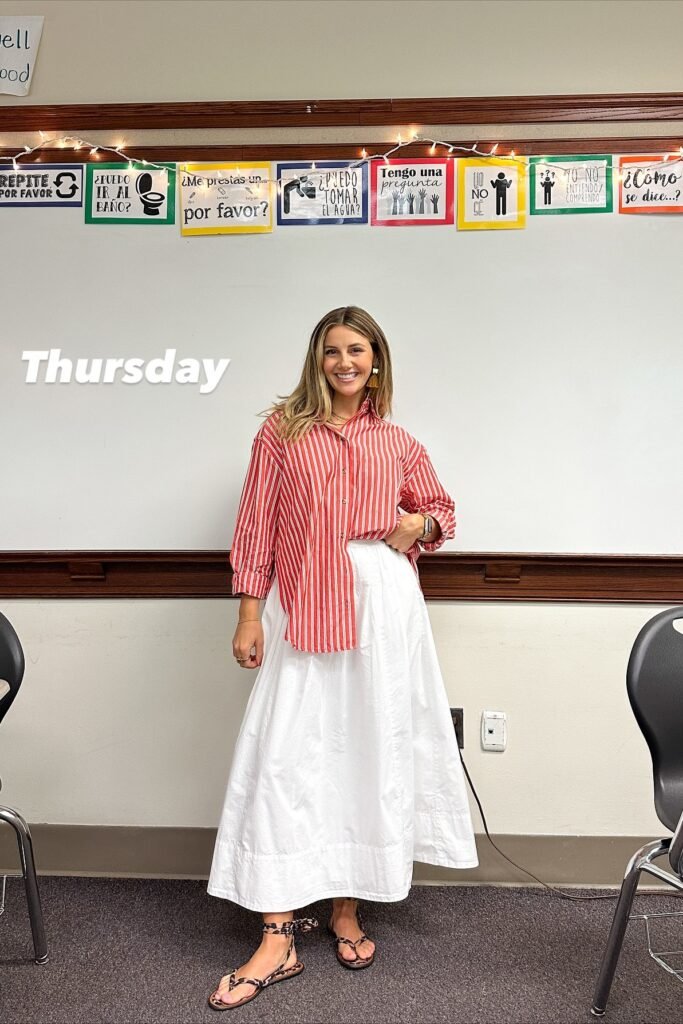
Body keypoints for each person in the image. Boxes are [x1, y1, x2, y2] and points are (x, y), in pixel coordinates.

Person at [207, 305, 478, 1010]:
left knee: (367, 752)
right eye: (332, 350)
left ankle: (347, 908)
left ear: (375, 361)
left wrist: (416, 523)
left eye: (356, 349)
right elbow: (256, 522)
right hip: (303, 607)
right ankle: (276, 934)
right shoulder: (281, 433)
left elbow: (442, 512)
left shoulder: (397, 440)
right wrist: (247, 611)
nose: (344, 361)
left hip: (384, 612)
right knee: (286, 758)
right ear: (316, 360)